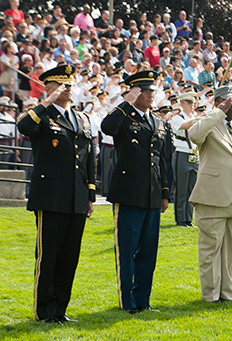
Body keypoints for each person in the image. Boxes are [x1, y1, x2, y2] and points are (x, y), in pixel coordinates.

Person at [17, 64, 95, 323]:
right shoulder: (42, 116)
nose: (68, 89)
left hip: (76, 197)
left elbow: (88, 158)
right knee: (48, 255)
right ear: (48, 87)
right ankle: (44, 310)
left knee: (69, 257)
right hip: (51, 197)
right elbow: (24, 126)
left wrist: (90, 194)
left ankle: (60, 309)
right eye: (61, 85)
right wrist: (45, 102)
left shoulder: (82, 118)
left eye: (70, 84)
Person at [101, 70, 170, 314]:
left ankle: (143, 300)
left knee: (148, 252)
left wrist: (165, 192)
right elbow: (107, 127)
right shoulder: (123, 115)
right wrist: (125, 102)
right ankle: (127, 301)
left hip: (151, 194)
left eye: (152, 90)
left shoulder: (159, 121)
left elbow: (163, 160)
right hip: (128, 192)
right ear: (133, 92)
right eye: (144, 90)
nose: (151, 95)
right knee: (127, 250)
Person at [187, 85, 232, 303]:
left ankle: (226, 294)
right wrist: (217, 113)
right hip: (213, 197)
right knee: (210, 250)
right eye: (229, 101)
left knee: (230, 252)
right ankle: (210, 295)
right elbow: (194, 136)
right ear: (218, 102)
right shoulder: (207, 123)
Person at [171, 92, 199, 227]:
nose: (192, 105)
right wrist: (201, 119)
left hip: (194, 155)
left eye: (193, 102)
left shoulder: (194, 117)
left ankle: (189, 218)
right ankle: (180, 218)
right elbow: (185, 125)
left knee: (192, 189)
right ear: (182, 104)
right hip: (182, 153)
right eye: (189, 102)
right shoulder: (177, 118)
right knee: (181, 188)